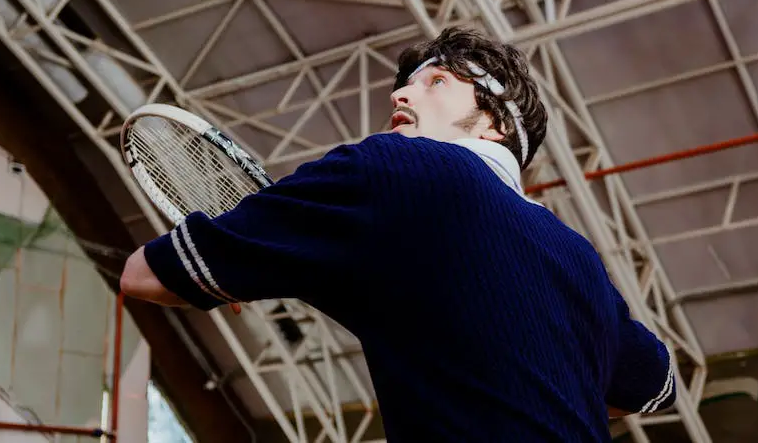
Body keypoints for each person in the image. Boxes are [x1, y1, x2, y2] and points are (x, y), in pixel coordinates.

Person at [120, 26, 676, 442]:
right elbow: (653, 382)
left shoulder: (395, 168)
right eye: (404, 86)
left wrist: (229, 266)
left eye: (436, 82)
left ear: (497, 123)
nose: (400, 96)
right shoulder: (578, 258)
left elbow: (142, 276)